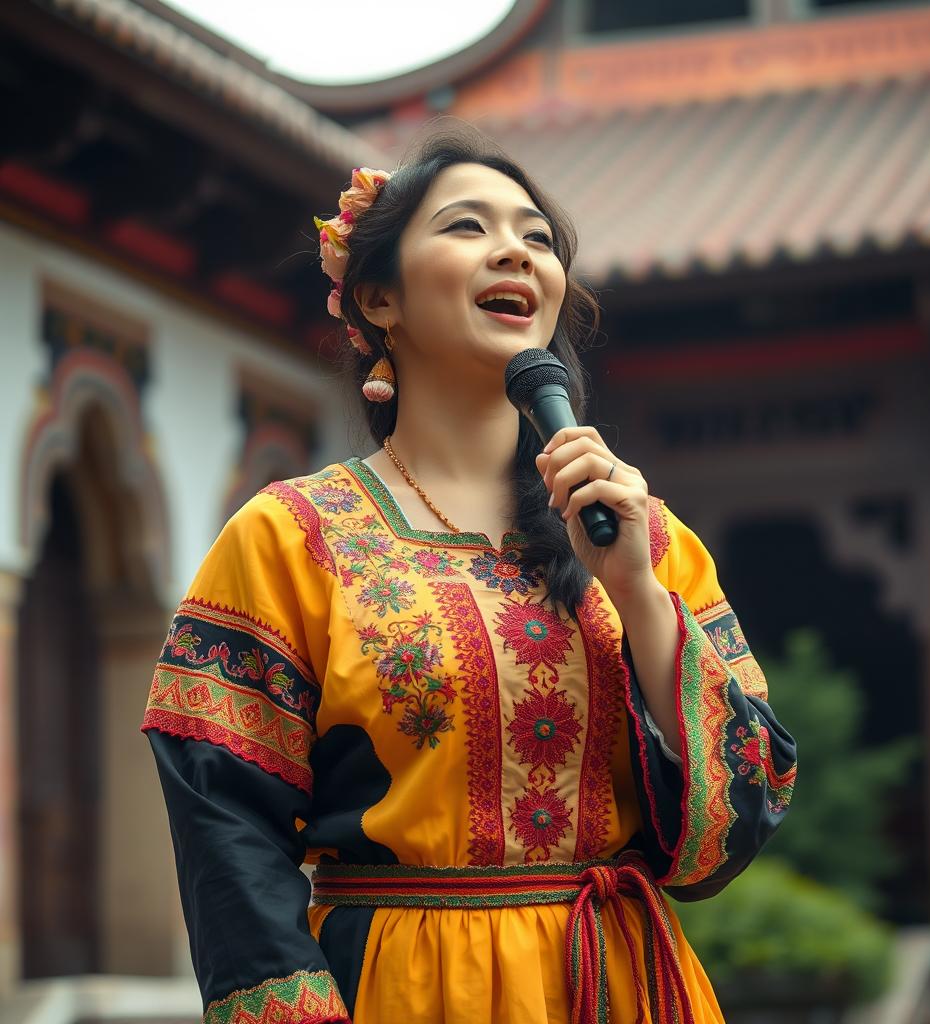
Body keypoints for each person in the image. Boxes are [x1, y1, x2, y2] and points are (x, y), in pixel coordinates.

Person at [141, 126, 797, 1024]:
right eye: (466, 227)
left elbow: (739, 820)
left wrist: (637, 592)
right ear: (378, 298)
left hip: (624, 983)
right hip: (408, 991)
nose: (514, 252)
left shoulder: (643, 533)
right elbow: (226, 836)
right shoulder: (288, 539)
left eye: (537, 237)